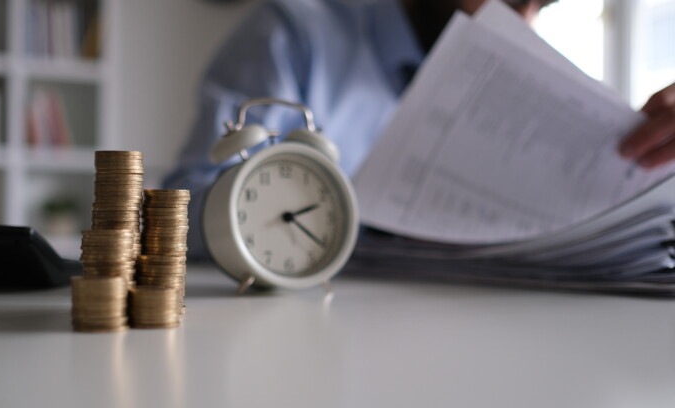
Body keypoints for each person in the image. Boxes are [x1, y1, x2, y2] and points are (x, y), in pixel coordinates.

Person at [164, 0, 675, 257]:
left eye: (531, 8)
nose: (515, 23)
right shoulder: (296, 32)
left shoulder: (526, 89)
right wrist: (342, 224)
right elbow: (185, 206)